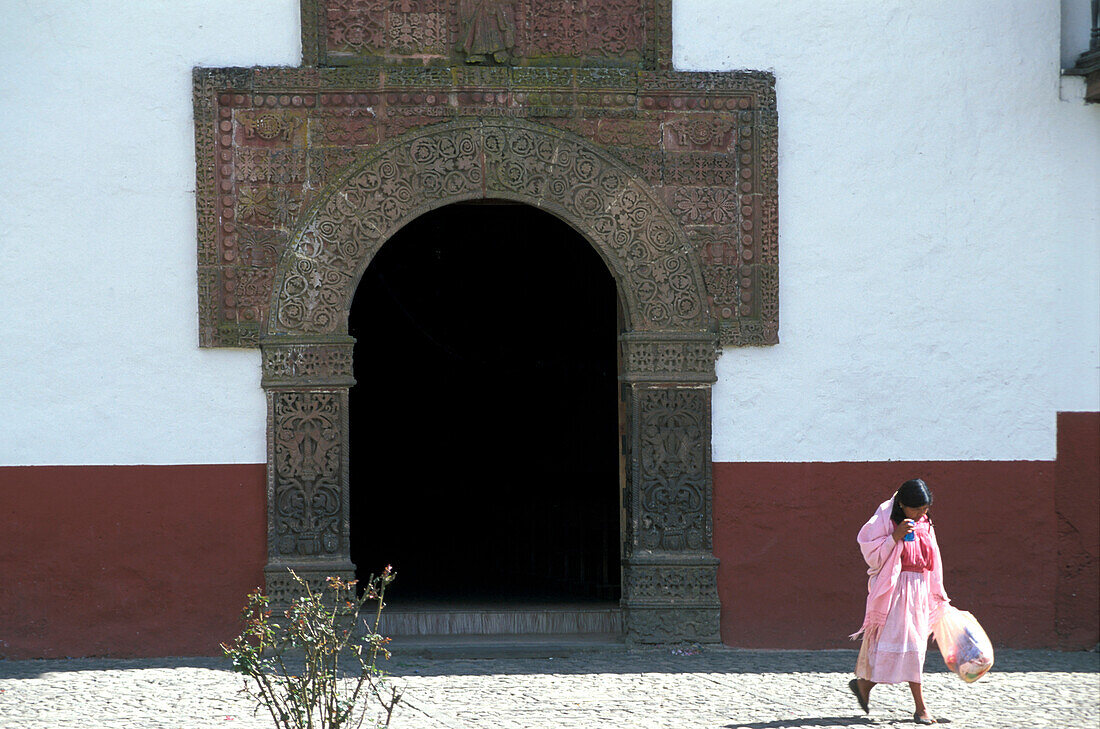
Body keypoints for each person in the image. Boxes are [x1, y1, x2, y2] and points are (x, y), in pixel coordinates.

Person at [848, 479, 949, 725]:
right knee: (899, 645)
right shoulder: (884, 519)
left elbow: (933, 559)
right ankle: (920, 708)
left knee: (915, 647)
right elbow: (870, 553)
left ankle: (864, 685)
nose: (922, 514)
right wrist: (895, 536)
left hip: (918, 590)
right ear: (902, 505)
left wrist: (937, 592)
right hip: (894, 591)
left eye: (925, 509)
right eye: (917, 509)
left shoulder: (926, 522)